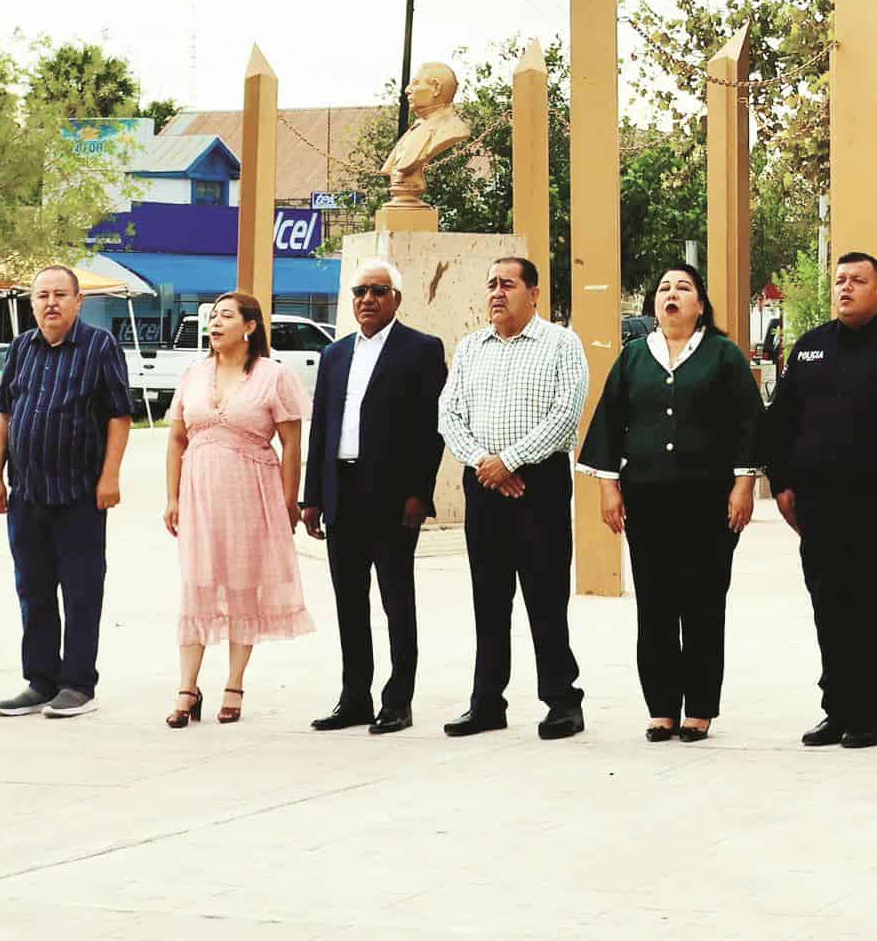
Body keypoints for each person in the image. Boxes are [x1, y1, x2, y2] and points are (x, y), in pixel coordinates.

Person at [760, 250, 877, 748]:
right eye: (839, 280)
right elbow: (781, 422)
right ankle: (837, 708)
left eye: (858, 280)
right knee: (831, 610)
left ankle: (874, 711)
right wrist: (781, 484)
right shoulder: (810, 349)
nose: (845, 288)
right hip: (821, 511)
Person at [585, 264, 763, 743]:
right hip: (647, 500)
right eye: (664, 287)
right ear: (654, 304)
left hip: (709, 503)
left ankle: (700, 708)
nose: (672, 294)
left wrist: (743, 484)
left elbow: (750, 422)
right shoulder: (634, 357)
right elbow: (608, 422)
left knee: (703, 604)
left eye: (683, 288)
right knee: (656, 606)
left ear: (700, 304)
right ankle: (662, 707)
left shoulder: (723, 355)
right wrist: (608, 486)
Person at [439, 254, 593, 740]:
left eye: (507, 284)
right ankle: (487, 702)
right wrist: (487, 463)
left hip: (539, 487)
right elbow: (448, 415)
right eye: (491, 285)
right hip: (484, 487)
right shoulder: (470, 348)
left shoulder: (561, 344)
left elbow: (566, 415)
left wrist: (511, 460)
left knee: (545, 598)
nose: (497, 293)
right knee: (489, 599)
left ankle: (562, 702)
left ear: (534, 293)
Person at [0, 264, 140, 720]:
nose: (50, 303)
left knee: (81, 591)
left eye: (59, 295)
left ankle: (77, 684)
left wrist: (110, 477)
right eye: (41, 296)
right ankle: (40, 681)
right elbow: (3, 414)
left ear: (79, 302)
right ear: (31, 303)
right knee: (32, 590)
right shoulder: (21, 347)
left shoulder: (99, 346)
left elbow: (119, 414)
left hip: (79, 493)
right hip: (27, 493)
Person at [305, 259, 447, 735]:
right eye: (361, 291)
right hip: (340, 491)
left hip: (391, 497)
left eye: (379, 291)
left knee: (396, 600)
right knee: (349, 601)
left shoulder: (421, 351)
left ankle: (398, 701)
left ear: (397, 299)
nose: (368, 299)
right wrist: (312, 497)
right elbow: (321, 428)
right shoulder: (335, 354)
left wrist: (419, 494)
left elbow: (432, 431)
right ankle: (354, 697)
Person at [163, 295, 311, 728]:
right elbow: (176, 440)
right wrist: (172, 498)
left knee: (242, 586)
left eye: (226, 316)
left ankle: (234, 683)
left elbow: (292, 446)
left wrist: (290, 501)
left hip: (252, 493)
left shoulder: (274, 376)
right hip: (199, 494)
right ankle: (187, 688)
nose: (215, 323)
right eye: (212, 316)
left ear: (249, 327)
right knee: (198, 584)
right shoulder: (193, 374)